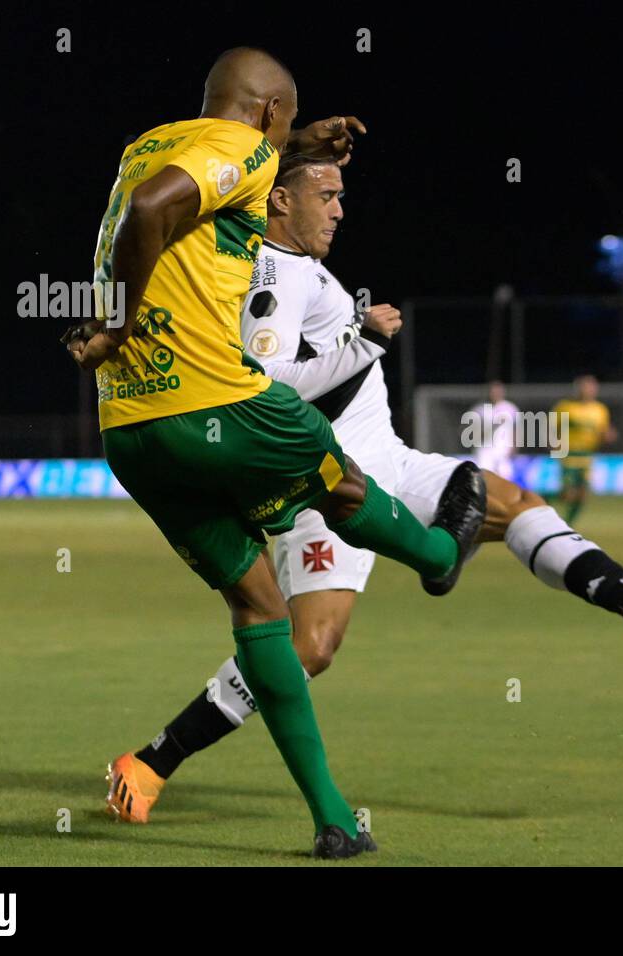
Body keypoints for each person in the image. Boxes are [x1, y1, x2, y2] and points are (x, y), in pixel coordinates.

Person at [102, 151, 623, 823]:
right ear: (279, 202)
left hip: (389, 462)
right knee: (310, 648)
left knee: (516, 504)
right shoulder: (274, 274)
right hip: (328, 485)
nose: (341, 209)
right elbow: (264, 386)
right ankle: (152, 761)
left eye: (343, 195)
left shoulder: (301, 266)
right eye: (328, 195)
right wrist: (362, 344)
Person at [64, 48, 486, 860]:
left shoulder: (145, 149)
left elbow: (164, 192)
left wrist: (297, 145)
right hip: (219, 401)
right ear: (265, 117)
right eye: (286, 127)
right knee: (345, 485)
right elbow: (159, 208)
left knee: (262, 609)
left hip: (132, 427)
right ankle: (438, 553)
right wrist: (117, 320)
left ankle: (333, 820)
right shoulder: (243, 152)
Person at [552, 374, 615, 522]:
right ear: (578, 388)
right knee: (568, 494)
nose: (588, 390)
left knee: (583, 494)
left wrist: (608, 436)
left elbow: (603, 431)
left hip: (587, 456)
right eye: (585, 387)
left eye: (592, 387)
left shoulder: (600, 410)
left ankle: (567, 523)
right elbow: (551, 429)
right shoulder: (565, 407)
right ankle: (544, 498)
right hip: (569, 455)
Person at [469, 381, 520, 481]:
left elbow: (516, 429)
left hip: (503, 450)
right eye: (493, 391)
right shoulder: (480, 409)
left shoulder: (510, 408)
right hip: (485, 450)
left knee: (505, 479)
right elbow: (473, 432)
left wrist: (515, 446)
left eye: (498, 391)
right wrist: (493, 426)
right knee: (484, 479)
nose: (495, 394)